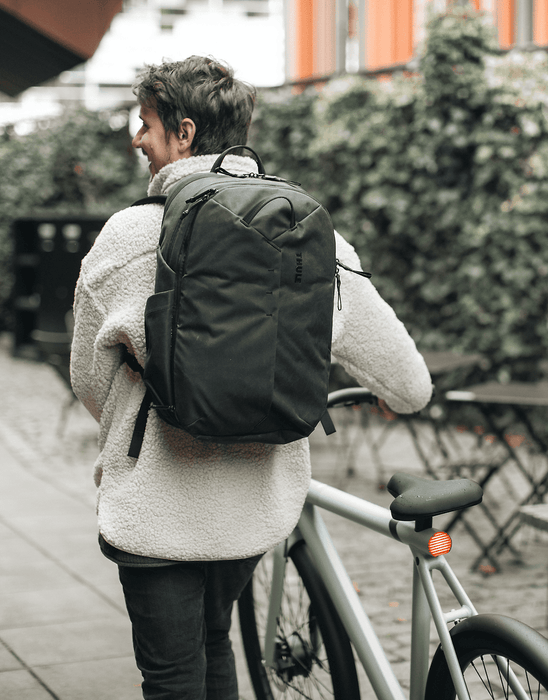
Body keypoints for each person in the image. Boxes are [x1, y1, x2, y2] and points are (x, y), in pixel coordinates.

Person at [70, 55, 433, 700]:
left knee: (172, 676)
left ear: (184, 133)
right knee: (216, 642)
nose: (137, 138)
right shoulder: (311, 234)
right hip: (254, 512)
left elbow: (88, 383)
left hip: (155, 511)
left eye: (146, 124)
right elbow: (411, 386)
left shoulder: (125, 237)